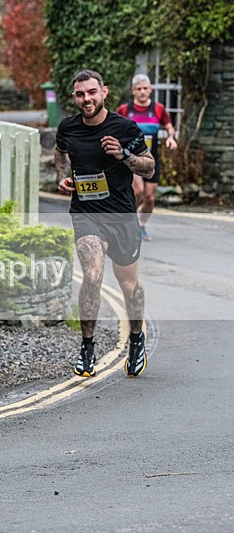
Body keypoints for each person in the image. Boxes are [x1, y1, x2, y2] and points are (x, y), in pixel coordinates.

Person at [55, 70, 154, 379]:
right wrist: (62, 175)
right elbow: (60, 153)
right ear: (75, 97)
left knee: (128, 285)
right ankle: (88, 346)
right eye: (80, 94)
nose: (87, 99)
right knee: (93, 273)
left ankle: (136, 338)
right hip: (86, 214)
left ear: (104, 92)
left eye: (92, 92)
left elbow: (149, 167)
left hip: (122, 215)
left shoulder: (124, 128)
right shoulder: (68, 127)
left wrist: (124, 155)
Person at [116, 74, 178, 241]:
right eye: (139, 89)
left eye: (145, 88)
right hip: (131, 158)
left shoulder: (158, 109)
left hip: (151, 158)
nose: (142, 92)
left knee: (150, 197)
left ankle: (141, 224)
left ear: (150, 90)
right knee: (138, 191)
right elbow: (114, 128)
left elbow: (169, 127)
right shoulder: (124, 110)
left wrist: (171, 138)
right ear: (133, 91)